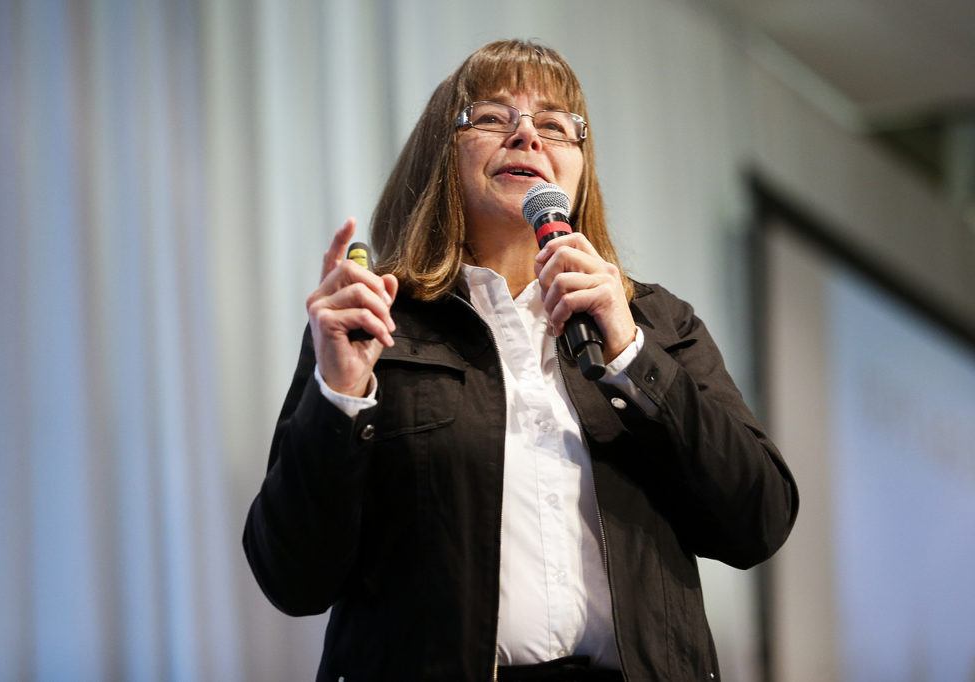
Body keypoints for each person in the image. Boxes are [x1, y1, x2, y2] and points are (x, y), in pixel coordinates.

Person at [243, 39, 798, 682]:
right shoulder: (377, 323)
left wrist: (632, 353)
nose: (527, 136)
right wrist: (340, 393)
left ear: (580, 167)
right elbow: (292, 576)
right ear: (441, 154)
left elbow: (759, 519)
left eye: (556, 126)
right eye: (491, 118)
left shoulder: (656, 322)